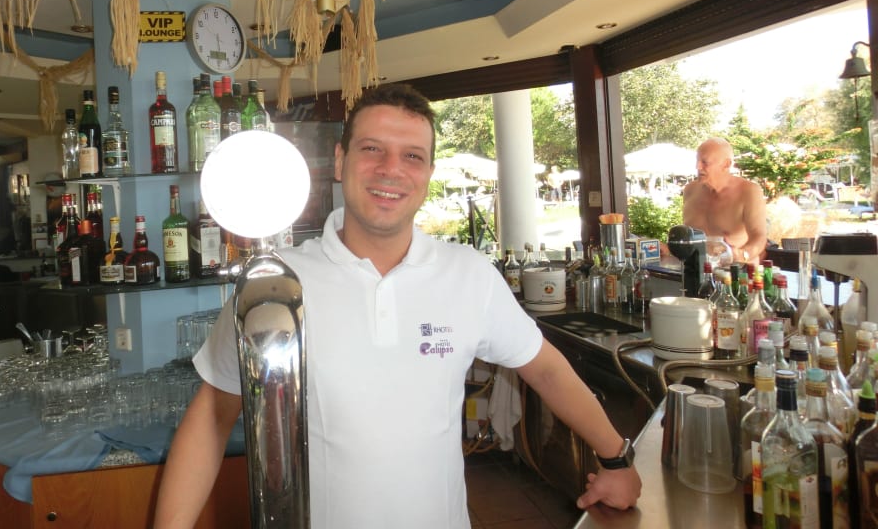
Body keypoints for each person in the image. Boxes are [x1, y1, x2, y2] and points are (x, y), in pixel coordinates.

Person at [154, 84, 641, 528]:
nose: (391, 169)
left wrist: (616, 459)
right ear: (340, 160)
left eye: (412, 156)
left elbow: (547, 370)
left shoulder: (468, 274)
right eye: (372, 149)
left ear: (427, 174)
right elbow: (212, 416)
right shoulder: (275, 284)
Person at [682, 137, 767, 265]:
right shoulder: (690, 190)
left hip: (737, 271)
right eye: (697, 161)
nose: (697, 167)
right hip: (696, 270)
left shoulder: (749, 191)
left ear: (726, 164)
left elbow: (759, 237)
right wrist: (668, 249)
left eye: (705, 162)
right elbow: (687, 238)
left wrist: (742, 254)